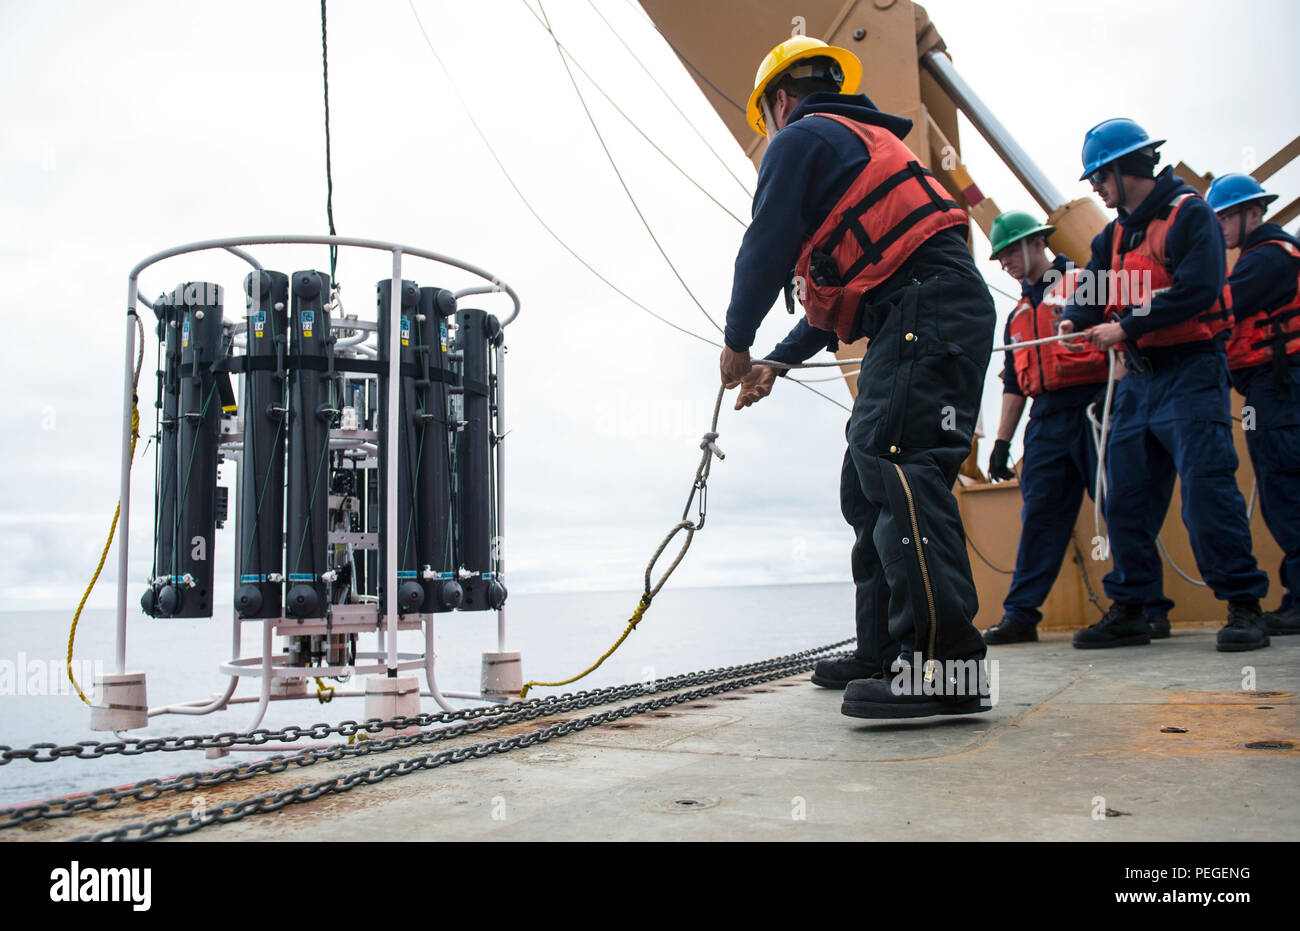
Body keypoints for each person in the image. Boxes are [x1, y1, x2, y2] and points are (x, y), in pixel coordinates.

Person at [719, 37, 995, 717]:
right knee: (866, 479)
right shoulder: (853, 149)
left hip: (924, 307)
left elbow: (766, 241)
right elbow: (826, 309)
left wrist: (736, 343)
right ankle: (883, 650)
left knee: (895, 460)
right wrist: (774, 364)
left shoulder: (800, 140)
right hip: (923, 306)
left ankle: (945, 667)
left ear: (778, 102)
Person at [1058, 119, 1270, 652]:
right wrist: (1074, 321)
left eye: (1099, 178)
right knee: (1123, 496)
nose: (1094, 190)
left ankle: (1244, 606)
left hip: (1192, 373)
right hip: (1140, 383)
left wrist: (1125, 327)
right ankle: (1134, 609)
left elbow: (1199, 289)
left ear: (1125, 170)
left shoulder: (1189, 215)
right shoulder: (1113, 236)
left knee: (1207, 491)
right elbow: (1091, 287)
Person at [981, 211, 1174, 645]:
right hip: (1046, 419)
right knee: (1040, 518)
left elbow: (1129, 337)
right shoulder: (1016, 316)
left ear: (1036, 244)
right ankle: (1021, 615)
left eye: (1010, 250)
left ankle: (1148, 608)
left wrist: (1124, 404)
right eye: (999, 256)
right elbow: (1014, 381)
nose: (1005, 262)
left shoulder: (1087, 285)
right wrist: (1001, 443)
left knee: (1122, 508)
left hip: (1095, 407)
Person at [1207, 173, 1300, 635]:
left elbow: (1219, 306)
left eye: (1226, 216)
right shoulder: (1269, 256)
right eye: (1217, 218)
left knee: (1286, 492)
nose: (1220, 226)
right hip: (1276, 388)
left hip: (1281, 390)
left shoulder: (1265, 261)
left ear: (1254, 213)